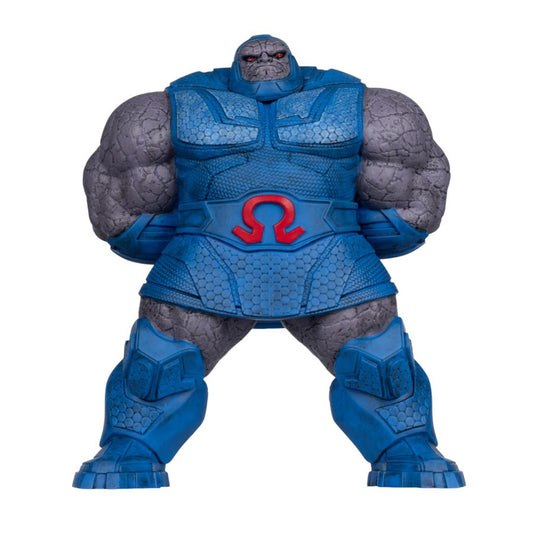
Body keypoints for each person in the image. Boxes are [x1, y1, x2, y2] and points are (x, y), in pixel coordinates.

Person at [73, 35, 464, 489]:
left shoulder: (368, 107)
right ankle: (132, 448)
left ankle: (406, 448)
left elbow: (412, 211)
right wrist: (182, 235)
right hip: (204, 266)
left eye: (275, 55)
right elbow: (120, 215)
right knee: (158, 368)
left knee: (379, 366)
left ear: (290, 58)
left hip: (332, 265)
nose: (263, 61)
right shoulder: (168, 109)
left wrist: (348, 233)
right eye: (254, 56)